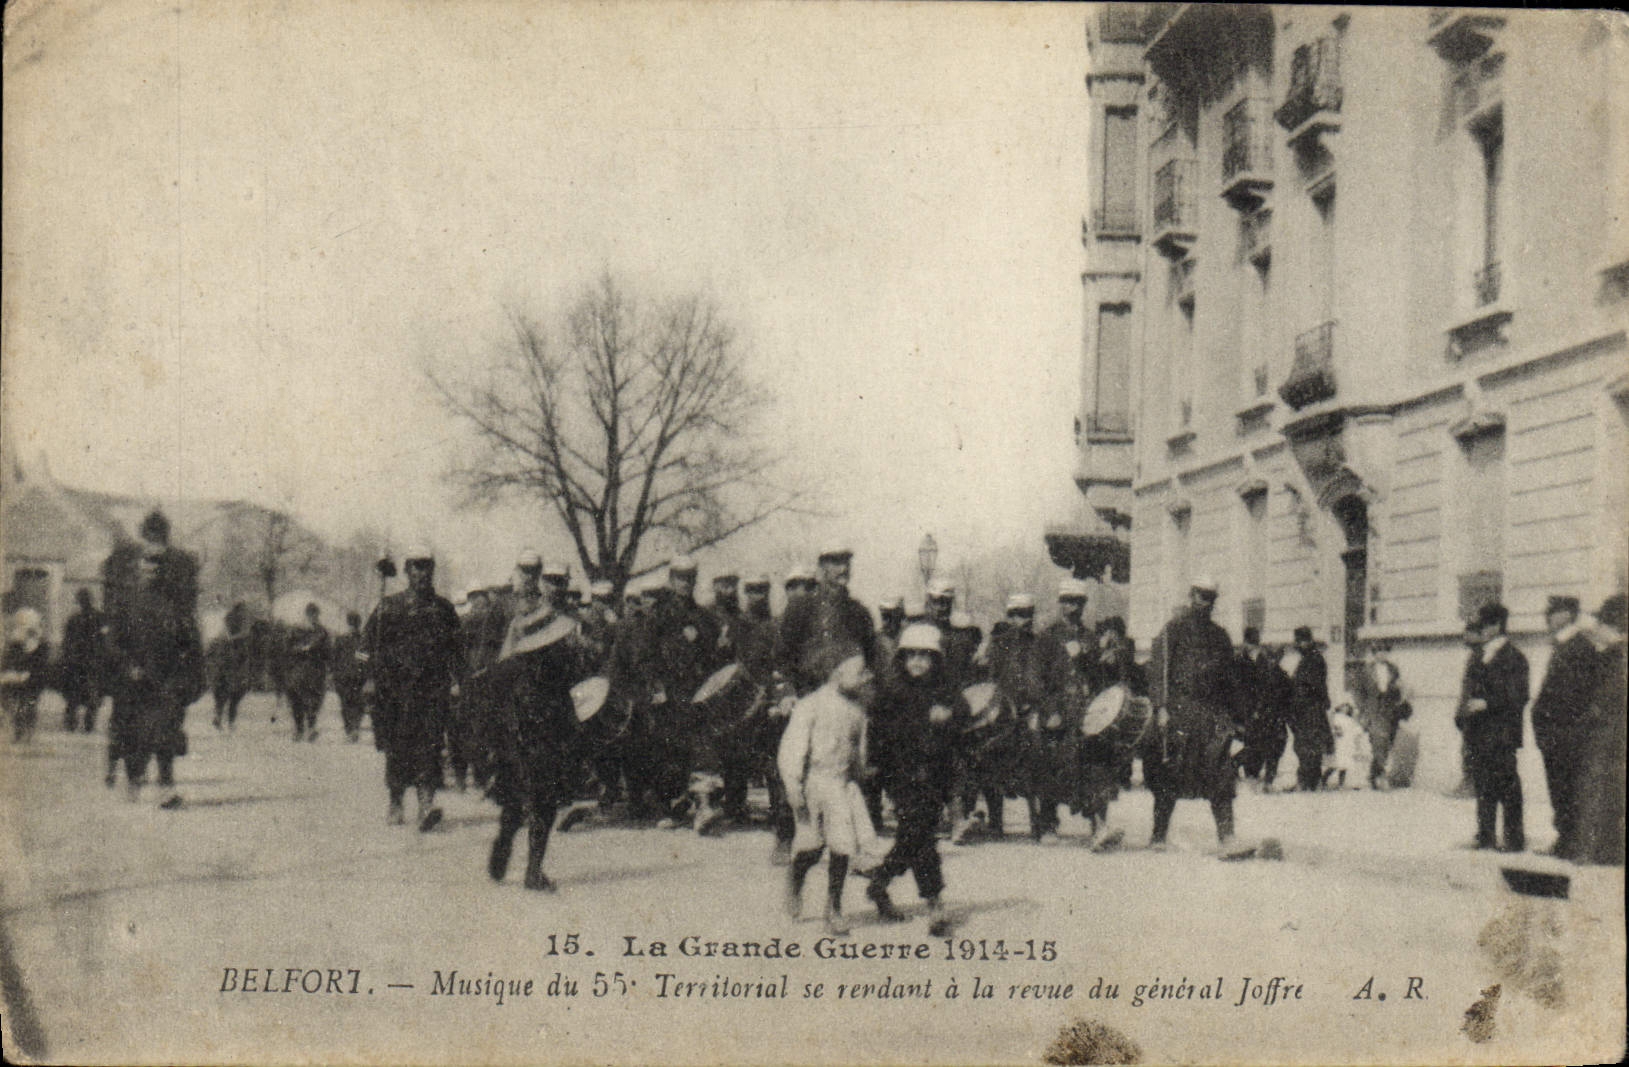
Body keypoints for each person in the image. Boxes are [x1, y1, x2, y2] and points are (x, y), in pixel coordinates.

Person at [483, 580, 591, 891]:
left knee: (514, 803)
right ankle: (533, 868)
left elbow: (490, 711)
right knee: (544, 804)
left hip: (514, 744)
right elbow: (572, 704)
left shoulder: (508, 668)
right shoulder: (560, 665)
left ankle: (505, 843)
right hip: (544, 741)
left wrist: (494, 748)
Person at [867, 624, 965, 935]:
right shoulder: (892, 693)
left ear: (937, 660)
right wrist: (876, 770)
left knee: (915, 835)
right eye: (912, 656)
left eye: (926, 656)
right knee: (921, 836)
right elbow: (878, 733)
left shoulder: (946, 691)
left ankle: (880, 881)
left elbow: (963, 713)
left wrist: (949, 715)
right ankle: (935, 904)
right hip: (902, 774)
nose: (918, 662)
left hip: (936, 774)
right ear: (902, 659)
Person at [361, 546, 464, 831]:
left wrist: (458, 681)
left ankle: (426, 805)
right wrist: (368, 676)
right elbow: (363, 648)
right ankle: (395, 801)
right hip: (394, 692)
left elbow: (457, 650)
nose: (422, 572)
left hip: (432, 690)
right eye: (416, 566)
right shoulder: (388, 607)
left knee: (430, 747)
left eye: (427, 566)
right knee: (397, 748)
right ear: (406, 571)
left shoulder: (444, 609)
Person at [778, 655, 879, 936]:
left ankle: (833, 907)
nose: (863, 679)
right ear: (836, 672)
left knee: (842, 848)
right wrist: (793, 786)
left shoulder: (858, 711)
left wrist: (862, 775)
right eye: (858, 673)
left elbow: (859, 752)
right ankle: (795, 881)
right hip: (816, 783)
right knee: (812, 846)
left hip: (843, 786)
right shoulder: (811, 705)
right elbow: (792, 749)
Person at [1142, 577, 1244, 850]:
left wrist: (1236, 718)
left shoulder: (1220, 636)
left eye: (1209, 598)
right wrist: (1161, 707)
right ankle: (1159, 835)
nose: (1204, 602)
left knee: (1222, 772)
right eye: (1200, 596)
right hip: (1179, 711)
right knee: (1169, 773)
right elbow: (1158, 671)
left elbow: (1230, 680)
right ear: (1191, 595)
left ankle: (1227, 836)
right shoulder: (1173, 630)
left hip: (1212, 714)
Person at [105, 531, 206, 807]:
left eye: (157, 567)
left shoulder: (175, 605)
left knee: (166, 733)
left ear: (163, 571)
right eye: (147, 566)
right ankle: (134, 781)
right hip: (135, 681)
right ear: (139, 569)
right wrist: (128, 666)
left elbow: (190, 641)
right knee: (134, 736)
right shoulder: (126, 603)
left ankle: (166, 789)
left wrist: (187, 672)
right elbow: (113, 641)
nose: (151, 571)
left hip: (166, 680)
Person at [985, 594, 1075, 842]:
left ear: (1032, 614)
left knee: (1042, 755)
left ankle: (1045, 823)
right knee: (991, 754)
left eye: (1025, 614)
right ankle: (995, 822)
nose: (1020, 620)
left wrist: (1051, 710)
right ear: (1008, 615)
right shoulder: (998, 644)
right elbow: (989, 682)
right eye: (1014, 614)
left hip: (1037, 710)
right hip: (1005, 711)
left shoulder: (1046, 643)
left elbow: (1058, 681)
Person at [1529, 595, 1601, 859]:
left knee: (1567, 789)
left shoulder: (1578, 647)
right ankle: (1565, 840)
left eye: (1554, 611)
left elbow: (1574, 696)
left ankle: (1570, 843)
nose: (1547, 616)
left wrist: (1554, 729)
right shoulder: (1563, 645)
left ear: (1569, 614)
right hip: (1555, 733)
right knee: (1560, 789)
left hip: (1565, 734)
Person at [1455, 602, 1528, 853]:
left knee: (1507, 786)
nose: (1481, 630)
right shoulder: (1478, 655)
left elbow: (1519, 696)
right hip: (1479, 732)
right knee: (1483, 784)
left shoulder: (1515, 657)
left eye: (1485, 625)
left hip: (1502, 732)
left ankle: (1514, 838)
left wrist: (1486, 703)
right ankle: (1485, 834)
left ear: (1497, 626)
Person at [774, 546, 876, 697]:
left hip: (849, 698)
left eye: (846, 563)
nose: (843, 569)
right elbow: (782, 657)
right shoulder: (800, 607)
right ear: (822, 567)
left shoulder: (859, 612)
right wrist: (787, 693)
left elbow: (871, 659)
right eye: (835, 563)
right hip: (808, 696)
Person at [1575, 594, 1625, 866]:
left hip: (1606, 736)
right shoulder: (1609, 654)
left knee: (1600, 789)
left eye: (1601, 623)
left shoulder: (1615, 657)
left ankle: (1599, 851)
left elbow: (1603, 700)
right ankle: (1606, 850)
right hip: (1609, 735)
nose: (1596, 628)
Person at [1233, 627, 1289, 790]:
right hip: (1254, 713)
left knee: (1266, 745)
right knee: (1260, 745)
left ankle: (1258, 778)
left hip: (1266, 714)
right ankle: (1241, 771)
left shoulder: (1266, 665)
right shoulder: (1241, 662)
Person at [1352, 642, 1410, 791]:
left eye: (1384, 651)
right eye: (1378, 651)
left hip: (1390, 711)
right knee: (1379, 741)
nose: (1381, 654)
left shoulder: (1393, 669)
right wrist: (1362, 710)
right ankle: (1381, 776)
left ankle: (1373, 775)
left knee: (1386, 742)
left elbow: (1398, 689)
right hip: (1373, 712)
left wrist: (1399, 692)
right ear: (1374, 653)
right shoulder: (1365, 670)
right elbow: (1358, 692)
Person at [1286, 626, 1333, 792]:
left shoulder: (1313, 659)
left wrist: (1295, 693)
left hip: (1309, 709)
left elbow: (1310, 685)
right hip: (1309, 709)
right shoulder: (1309, 658)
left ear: (1307, 641)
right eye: (1298, 642)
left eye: (1300, 642)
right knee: (1308, 746)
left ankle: (1308, 781)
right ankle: (1311, 781)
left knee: (1306, 745)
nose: (1298, 645)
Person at [60, 588, 109, 733]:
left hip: (81, 661)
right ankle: (84, 723)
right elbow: (103, 640)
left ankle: (75, 722)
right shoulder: (98, 617)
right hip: (89, 661)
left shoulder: (75, 619)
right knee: (89, 692)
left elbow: (66, 642)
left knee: (77, 693)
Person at [2, 608, 51, 743]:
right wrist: (12, 673)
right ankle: (19, 731)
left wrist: (30, 673)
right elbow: (8, 660)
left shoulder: (41, 643)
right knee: (18, 704)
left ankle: (27, 731)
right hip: (18, 678)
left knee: (29, 704)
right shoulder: (15, 642)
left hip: (34, 679)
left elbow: (42, 664)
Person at [284, 603, 330, 742]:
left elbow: (328, 652)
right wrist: (301, 649)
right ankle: (299, 729)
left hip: (315, 671)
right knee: (296, 700)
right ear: (306, 615)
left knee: (314, 700)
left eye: (315, 615)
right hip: (297, 670)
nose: (313, 617)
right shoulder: (295, 630)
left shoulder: (322, 632)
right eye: (311, 614)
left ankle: (311, 728)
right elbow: (287, 649)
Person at [332, 611, 367, 743]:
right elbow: (335, 658)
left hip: (358, 677)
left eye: (355, 624)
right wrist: (334, 674)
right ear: (348, 624)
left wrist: (363, 669)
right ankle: (349, 730)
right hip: (344, 677)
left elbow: (365, 658)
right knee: (346, 704)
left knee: (358, 704)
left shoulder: (363, 639)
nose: (353, 627)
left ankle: (355, 729)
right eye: (351, 624)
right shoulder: (341, 639)